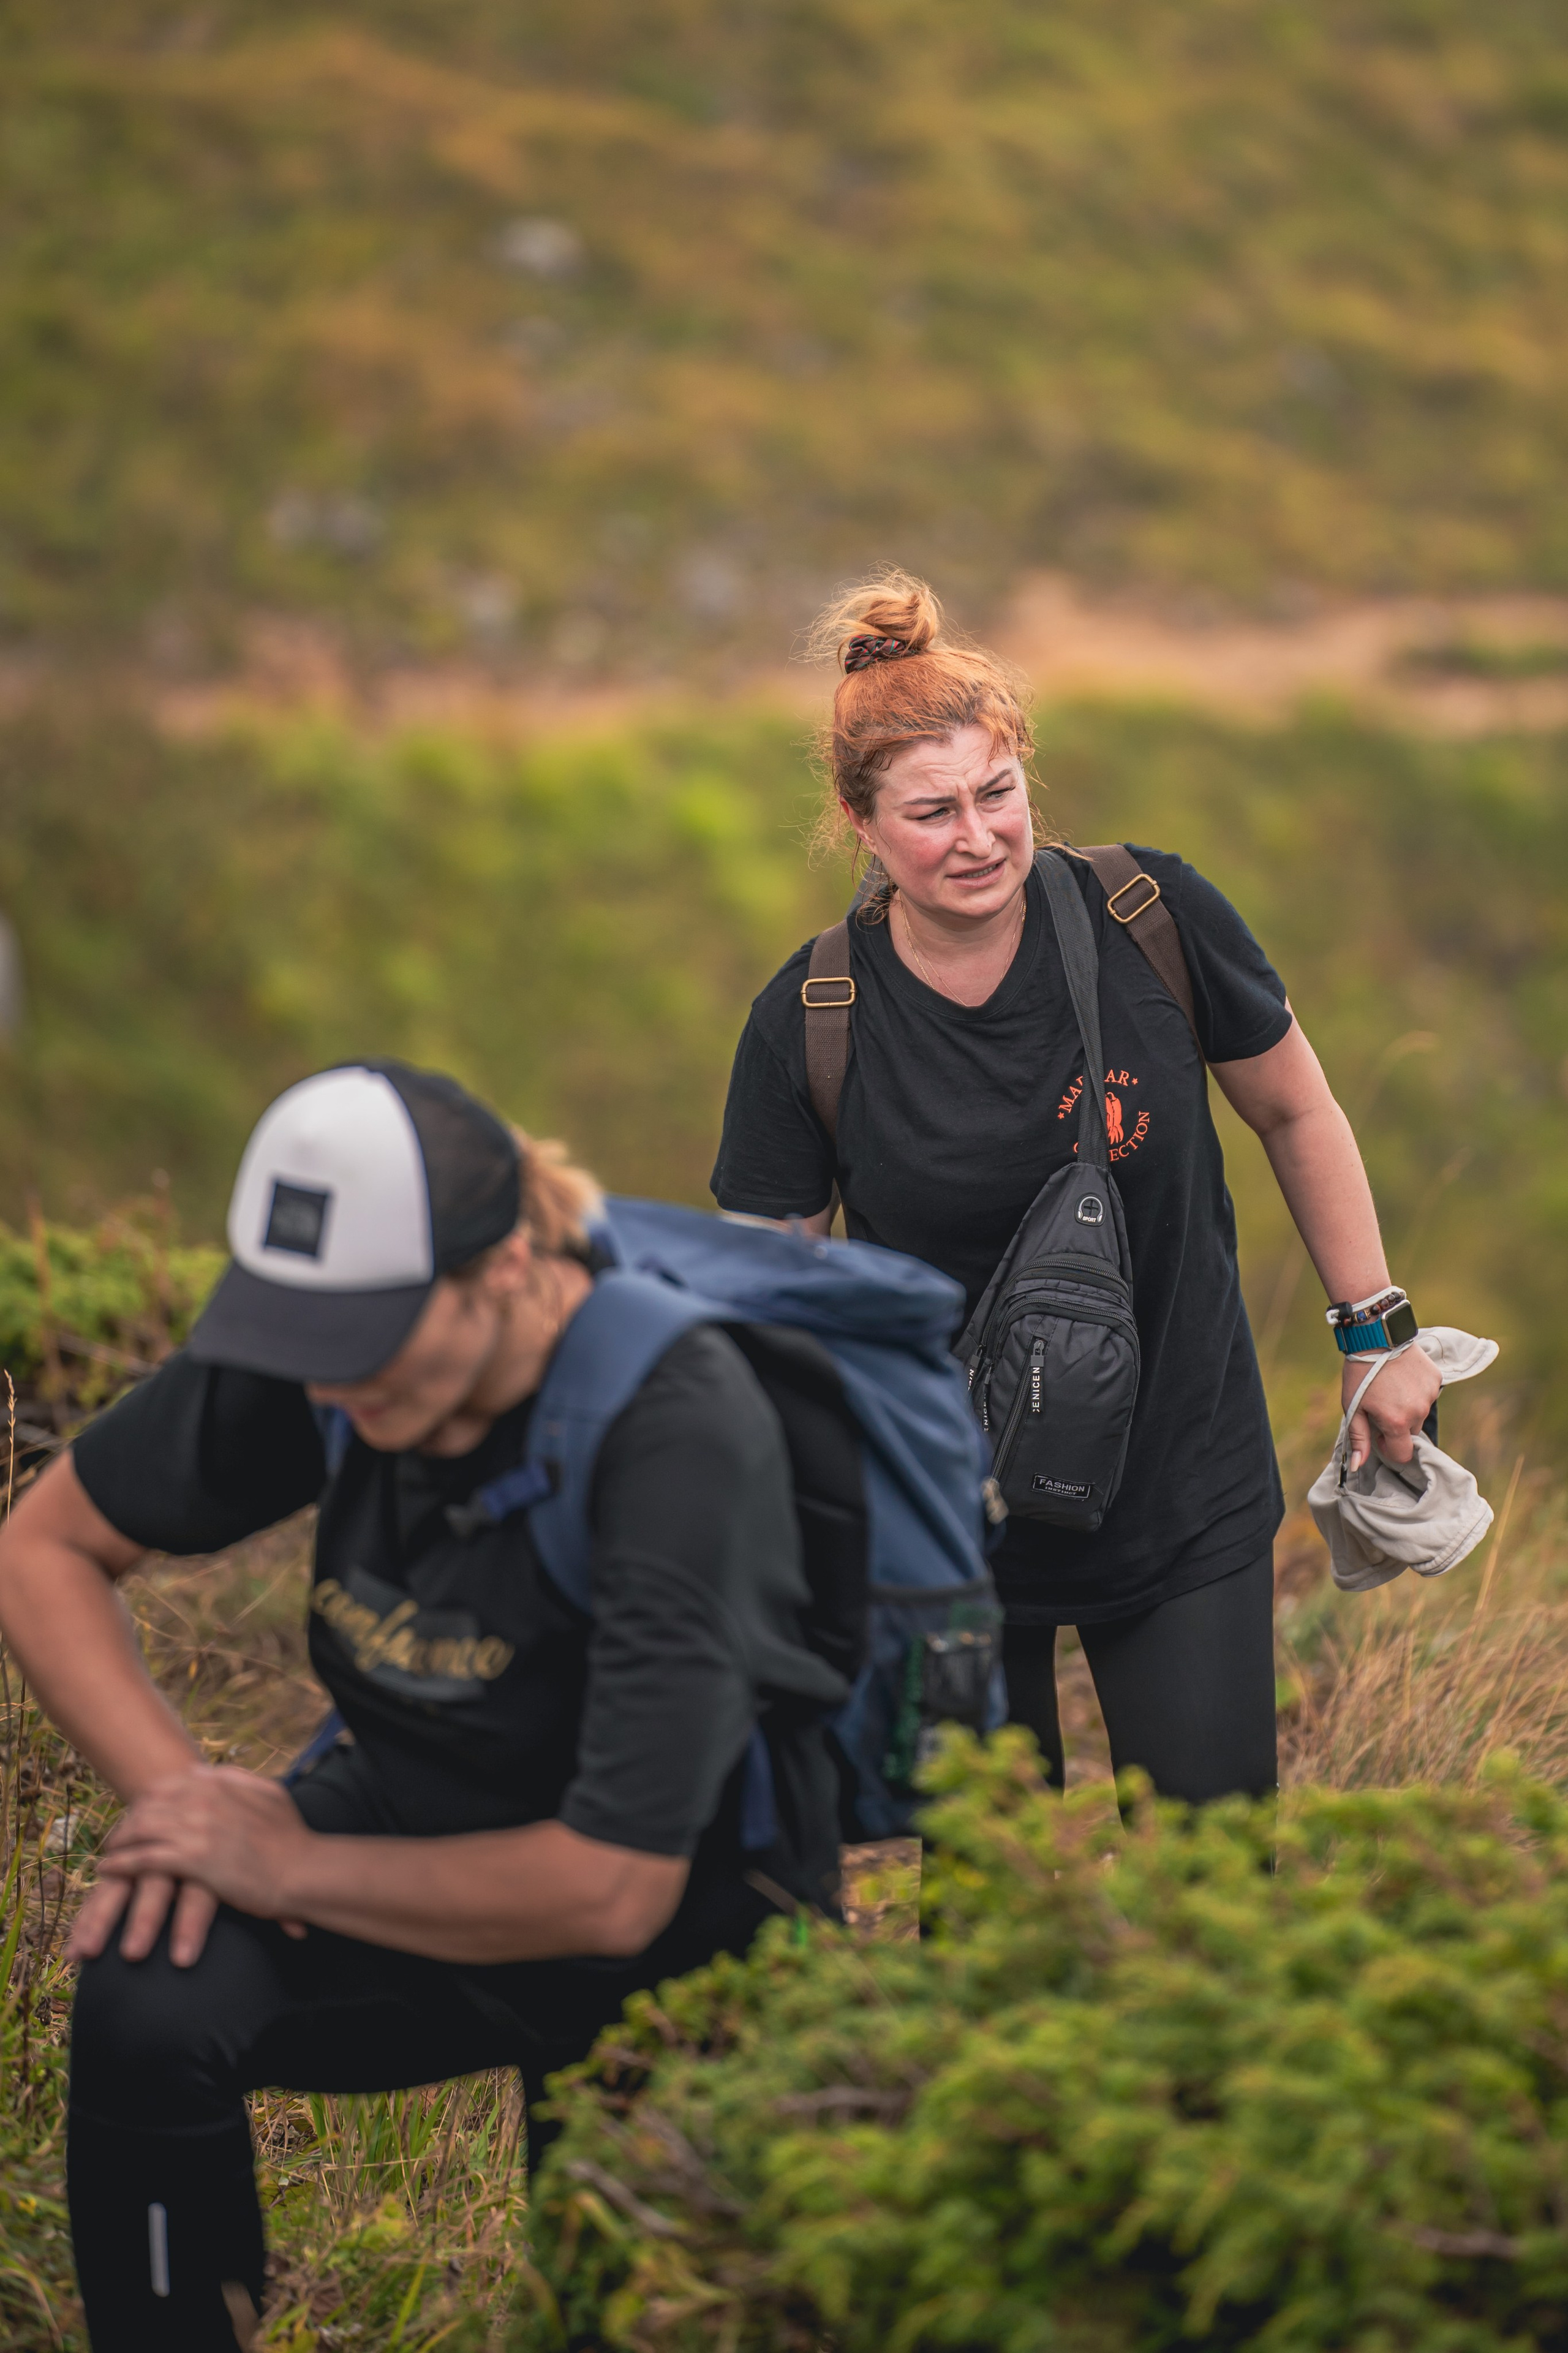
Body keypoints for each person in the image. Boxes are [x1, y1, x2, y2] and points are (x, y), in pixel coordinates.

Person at [0, 1060, 845, 2352]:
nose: (330, 1391)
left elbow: (611, 1886)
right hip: (408, 1811)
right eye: (306, 1347)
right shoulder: (329, 1333)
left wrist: (290, 1859)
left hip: (684, 1924)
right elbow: (43, 1550)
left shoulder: (676, 1429)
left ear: (503, 1264)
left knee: (620, 2304)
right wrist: (184, 1802)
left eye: (364, 1351)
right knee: (148, 1978)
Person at [710, 572, 1441, 1807]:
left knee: (1209, 1881)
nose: (977, 836)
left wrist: (1375, 1337)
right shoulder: (811, 1018)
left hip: (1179, 1477)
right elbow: (770, 1298)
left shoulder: (1148, 915)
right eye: (930, 811)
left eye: (997, 794)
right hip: (943, 1521)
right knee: (992, 1902)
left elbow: (1293, 1107)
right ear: (860, 825)